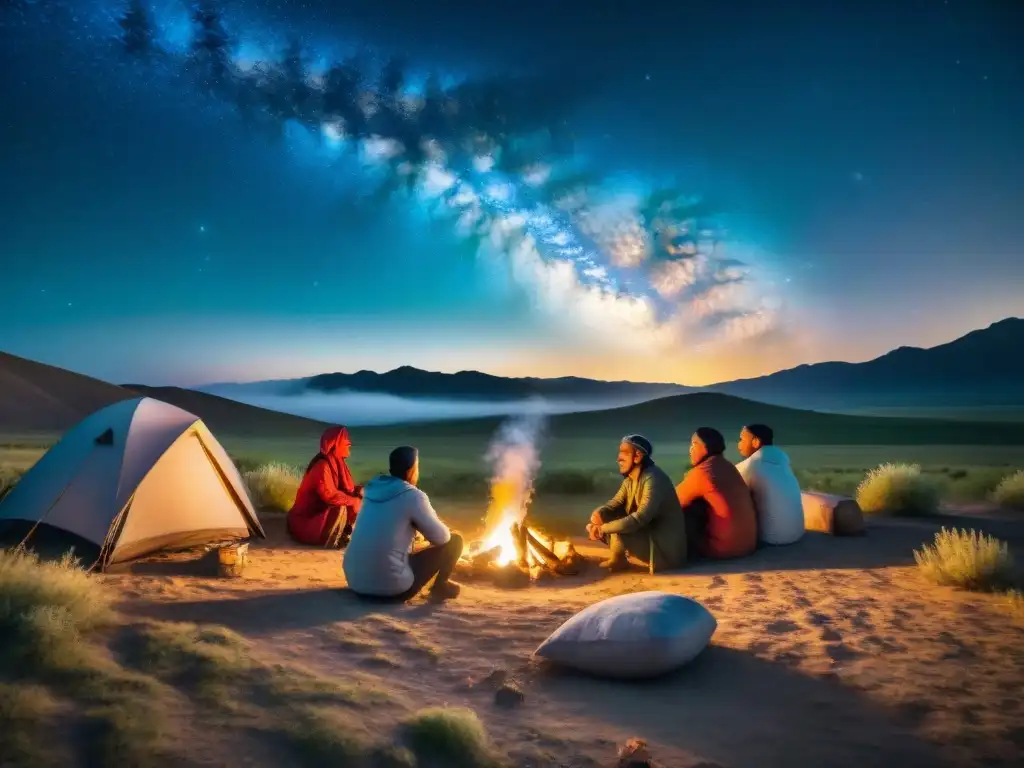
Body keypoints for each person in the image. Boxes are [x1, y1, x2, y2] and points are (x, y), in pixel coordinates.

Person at [343, 446, 463, 601]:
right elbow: (442, 538)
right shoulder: (413, 496)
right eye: (417, 466)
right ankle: (440, 587)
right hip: (393, 589)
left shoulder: (371, 490)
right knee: (455, 541)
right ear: (411, 469)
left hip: (355, 582)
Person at [586, 434, 688, 572]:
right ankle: (620, 557)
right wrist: (598, 515)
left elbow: (640, 518)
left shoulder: (653, 479)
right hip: (648, 538)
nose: (618, 458)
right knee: (605, 519)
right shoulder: (630, 479)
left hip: (664, 552)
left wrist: (602, 529)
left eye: (623, 453)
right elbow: (615, 504)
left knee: (619, 525)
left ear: (637, 456)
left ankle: (618, 560)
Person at [675, 427, 758, 559]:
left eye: (694, 444)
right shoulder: (729, 467)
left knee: (687, 509)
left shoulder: (703, 472)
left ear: (706, 448)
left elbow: (673, 500)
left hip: (723, 549)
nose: (690, 449)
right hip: (748, 546)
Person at [287, 425, 363, 547]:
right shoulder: (322, 465)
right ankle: (334, 538)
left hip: (320, 515)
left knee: (360, 494)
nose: (349, 443)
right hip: (306, 521)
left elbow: (347, 490)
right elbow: (330, 495)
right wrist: (354, 501)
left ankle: (347, 532)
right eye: (345, 439)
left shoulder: (337, 462)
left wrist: (360, 492)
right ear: (335, 444)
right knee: (341, 508)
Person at [736, 424, 805, 546]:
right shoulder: (783, 462)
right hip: (796, 534)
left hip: (769, 538)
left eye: (742, 439)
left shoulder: (750, 465)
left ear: (756, 442)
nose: (739, 444)